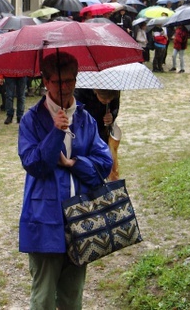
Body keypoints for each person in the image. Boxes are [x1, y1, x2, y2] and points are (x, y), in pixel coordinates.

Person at [18, 52, 112, 309]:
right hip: (44, 215)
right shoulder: (31, 120)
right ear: (46, 82)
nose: (65, 87)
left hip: (80, 213)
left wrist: (74, 163)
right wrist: (55, 134)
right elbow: (34, 164)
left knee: (72, 294)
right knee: (44, 295)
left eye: (70, 81)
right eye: (59, 82)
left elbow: (104, 164)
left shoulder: (84, 118)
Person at [74, 88, 121, 181]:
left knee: (105, 158)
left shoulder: (114, 89)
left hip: (103, 129)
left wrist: (112, 115)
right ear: (96, 92)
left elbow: (115, 107)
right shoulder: (81, 91)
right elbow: (75, 112)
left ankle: (106, 181)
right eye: (104, 99)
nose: (107, 101)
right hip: (84, 130)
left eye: (109, 99)